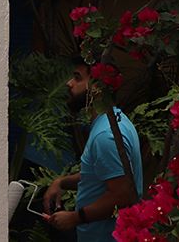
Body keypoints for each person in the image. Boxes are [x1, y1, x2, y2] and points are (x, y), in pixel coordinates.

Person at [43, 59, 143, 241]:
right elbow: (105, 175)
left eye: (77, 78)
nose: (69, 83)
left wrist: (75, 217)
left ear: (97, 87)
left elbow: (122, 195)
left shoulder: (106, 136)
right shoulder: (114, 121)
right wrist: (62, 182)